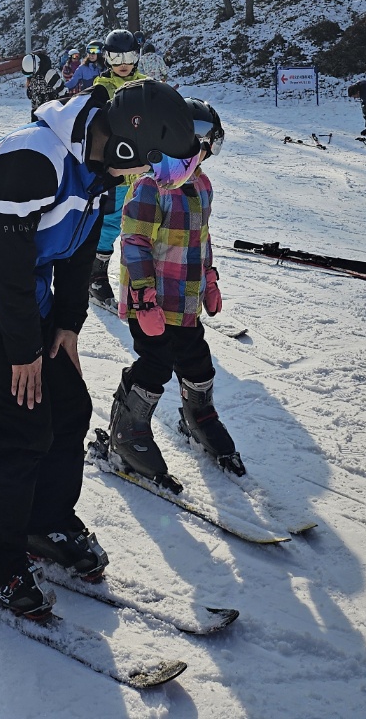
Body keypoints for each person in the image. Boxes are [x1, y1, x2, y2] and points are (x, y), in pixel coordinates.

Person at [0, 79, 197, 617]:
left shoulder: (98, 168)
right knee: (18, 428)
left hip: (25, 294)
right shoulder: (35, 156)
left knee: (69, 410)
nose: (144, 176)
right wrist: (24, 350)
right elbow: (2, 259)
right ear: (125, 145)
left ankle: (42, 522)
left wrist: (67, 323)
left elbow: (78, 254)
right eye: (147, 164)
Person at [109, 97, 243, 482]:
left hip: (185, 301)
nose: (204, 157)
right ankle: (127, 431)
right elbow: (134, 243)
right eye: (202, 147)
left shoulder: (202, 185)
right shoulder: (150, 186)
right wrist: (143, 296)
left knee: (197, 360)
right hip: (150, 302)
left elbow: (202, 238)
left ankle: (198, 416)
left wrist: (210, 279)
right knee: (154, 365)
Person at [88, 30, 148, 307]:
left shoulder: (146, 85)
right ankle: (96, 275)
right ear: (106, 58)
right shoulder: (102, 87)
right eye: (115, 56)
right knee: (111, 223)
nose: (123, 63)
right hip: (116, 173)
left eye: (129, 56)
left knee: (143, 223)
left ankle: (142, 276)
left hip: (145, 171)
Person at [21, 50, 66, 120]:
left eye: (29, 74)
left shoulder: (49, 73)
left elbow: (63, 92)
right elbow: (30, 94)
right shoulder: (33, 76)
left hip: (50, 114)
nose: (29, 76)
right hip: (36, 112)